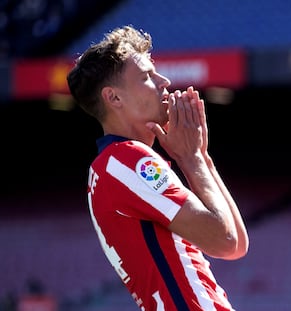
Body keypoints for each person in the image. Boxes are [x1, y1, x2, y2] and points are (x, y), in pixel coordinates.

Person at [66, 25, 249, 311]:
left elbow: (237, 245)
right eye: (146, 77)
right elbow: (224, 241)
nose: (164, 81)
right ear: (114, 98)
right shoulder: (127, 160)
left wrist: (201, 156)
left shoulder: (113, 165)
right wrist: (191, 160)